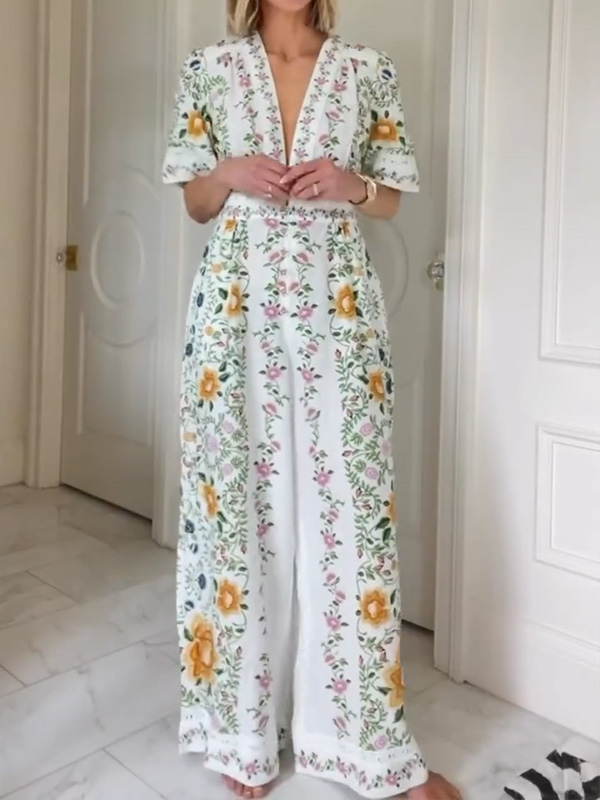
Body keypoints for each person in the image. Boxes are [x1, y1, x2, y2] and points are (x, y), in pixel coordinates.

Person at [163, 1, 462, 798]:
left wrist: (351, 184)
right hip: (234, 312)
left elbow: (391, 197)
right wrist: (227, 173)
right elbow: (195, 202)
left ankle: (365, 745)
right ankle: (241, 735)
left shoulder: (368, 69)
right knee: (238, 514)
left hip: (340, 310)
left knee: (352, 515)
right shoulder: (210, 68)